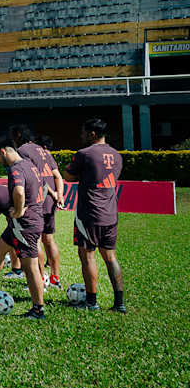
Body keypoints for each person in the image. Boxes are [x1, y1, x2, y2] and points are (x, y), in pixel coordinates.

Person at [0, 138, 47, 319]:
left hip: (25, 224)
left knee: (29, 267)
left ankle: (38, 309)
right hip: (24, 222)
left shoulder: (16, 169)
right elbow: (43, 187)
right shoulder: (29, 164)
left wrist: (19, 209)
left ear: (3, 151)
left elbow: (19, 192)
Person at [63, 118, 126, 313]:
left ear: (92, 134)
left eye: (83, 133)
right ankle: (119, 303)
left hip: (89, 213)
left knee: (87, 256)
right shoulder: (117, 155)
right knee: (110, 257)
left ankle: (91, 302)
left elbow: (68, 176)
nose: (81, 136)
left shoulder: (84, 153)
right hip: (111, 213)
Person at [11, 124, 64, 289]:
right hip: (51, 200)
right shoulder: (44, 151)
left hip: (38, 199)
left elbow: (36, 178)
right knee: (49, 239)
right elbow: (58, 176)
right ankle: (55, 279)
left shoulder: (22, 151)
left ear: (18, 135)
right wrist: (59, 196)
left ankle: (40, 281)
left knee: (36, 240)